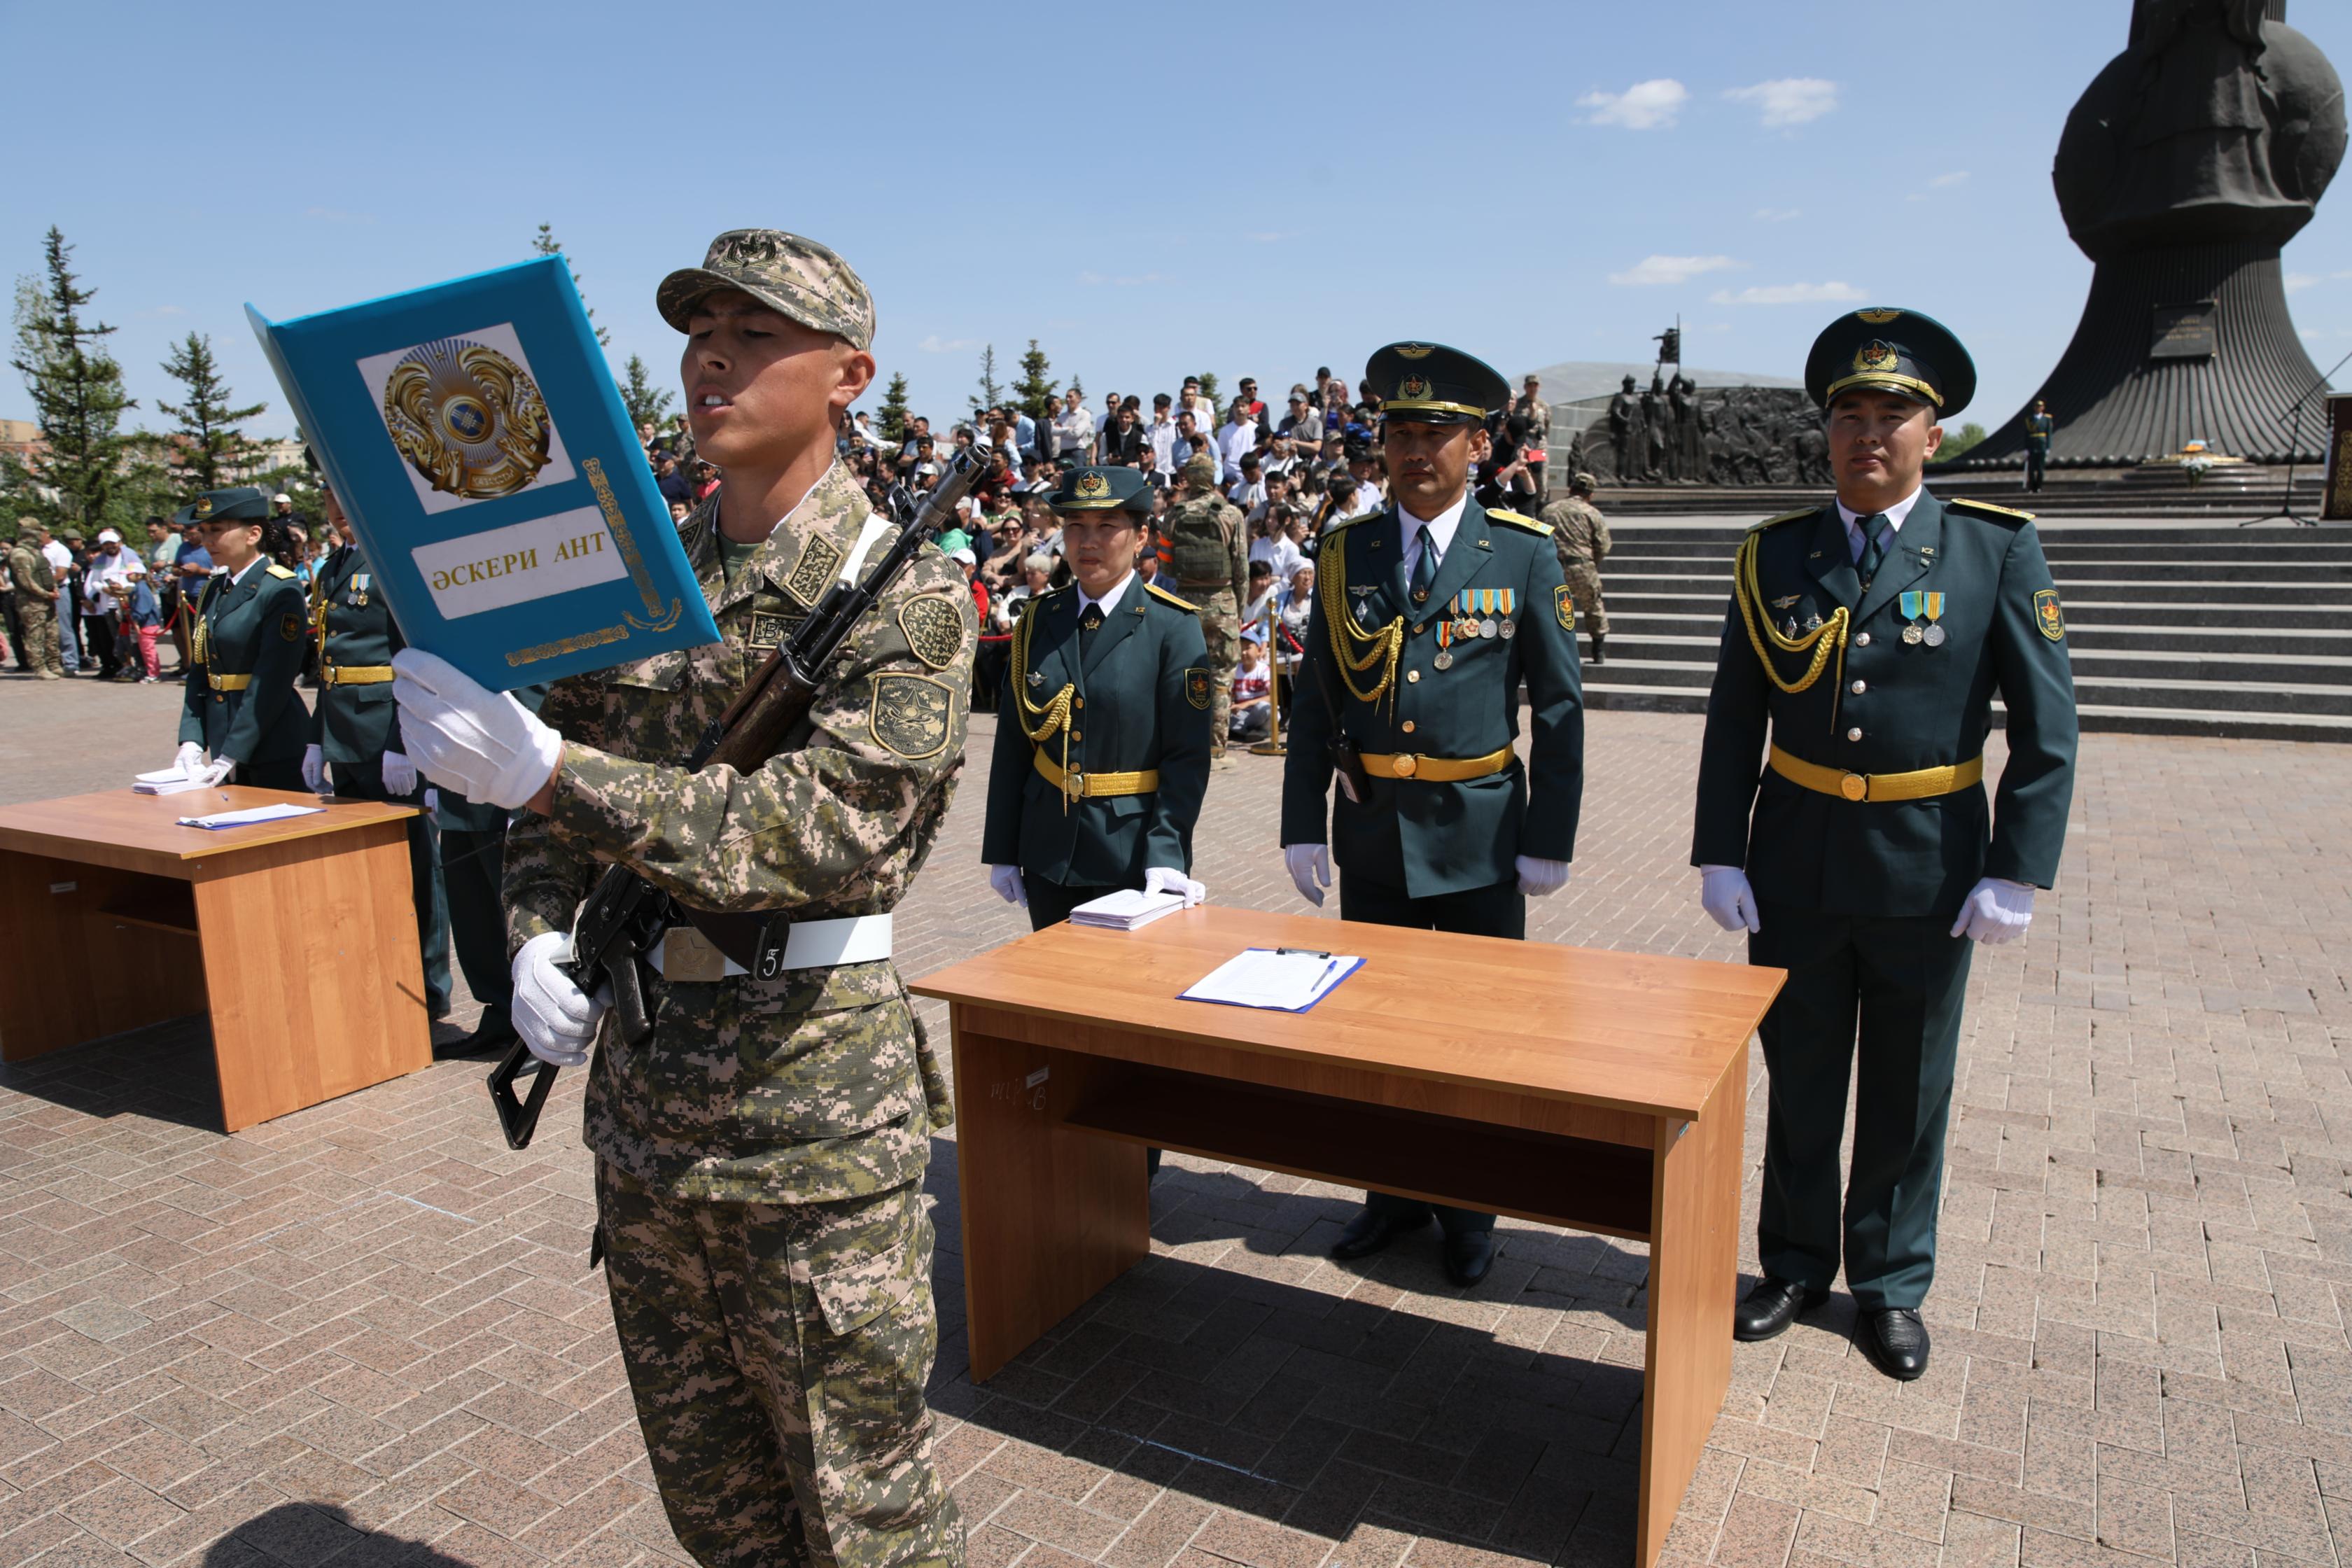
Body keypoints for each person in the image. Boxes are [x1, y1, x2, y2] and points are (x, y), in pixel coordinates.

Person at [391, 230, 969, 1568]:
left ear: (848, 375)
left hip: (810, 1119)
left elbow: (827, 834)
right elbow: (555, 801)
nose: (713, 355)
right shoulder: (639, 584)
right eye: (701, 329)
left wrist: (554, 776)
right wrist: (538, 928)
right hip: (648, 1118)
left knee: (865, 1512)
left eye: (757, 334)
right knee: (718, 1507)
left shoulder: (911, 588)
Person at [1690, 308, 2079, 1383]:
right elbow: (1736, 718)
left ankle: (1893, 1286)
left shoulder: (1993, 548)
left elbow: (2050, 728)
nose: (1871, 434)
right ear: (1827, 432)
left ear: (1934, 431)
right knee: (1801, 1074)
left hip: (1928, 863)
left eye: (1893, 415)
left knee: (1909, 1090)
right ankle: (1798, 1263)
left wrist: (2016, 867)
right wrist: (1721, 849)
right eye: (1850, 415)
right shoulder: (1774, 555)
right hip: (1797, 859)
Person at [1280, 343, 1584, 1287]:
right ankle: (1391, 1197)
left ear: (1479, 445)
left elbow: (1562, 706)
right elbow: (1319, 697)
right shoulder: (1346, 552)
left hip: (1482, 838)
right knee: (1372, 1032)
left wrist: (1549, 838)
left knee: (1475, 1038)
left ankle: (1469, 1211)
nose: (1416, 452)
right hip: (1373, 834)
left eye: (1437, 434)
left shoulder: (1525, 553)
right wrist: (1300, 820)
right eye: (1399, 433)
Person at [983, 461, 1212, 930]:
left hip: (1132, 855)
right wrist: (1003, 848)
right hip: (1048, 850)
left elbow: (1186, 757)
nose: (1088, 542)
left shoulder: (1173, 627)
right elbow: (1013, 744)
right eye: (1075, 527)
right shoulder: (1039, 620)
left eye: (1107, 526)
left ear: (1141, 537)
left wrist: (1167, 850)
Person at [304, 479, 455, 1030]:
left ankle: (430, 991)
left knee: (419, 870)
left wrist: (402, 743)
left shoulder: (393, 557)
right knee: (361, 870)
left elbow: (411, 657)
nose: (340, 512)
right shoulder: (331, 568)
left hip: (387, 737)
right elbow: (330, 661)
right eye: (331, 502)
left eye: (348, 498)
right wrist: (317, 737)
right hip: (346, 735)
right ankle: (377, 979)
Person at [172, 487, 310, 790]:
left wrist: (234, 750)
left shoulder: (279, 588)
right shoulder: (213, 590)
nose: (208, 541)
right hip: (224, 737)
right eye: (204, 531)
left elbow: (272, 678)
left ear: (253, 534)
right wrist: (193, 739)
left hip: (271, 739)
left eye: (217, 530)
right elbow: (201, 670)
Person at [1163, 454, 1252, 768]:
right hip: (1223, 602)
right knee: (1221, 677)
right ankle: (1216, 749)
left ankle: (1186, 747)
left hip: (1186, 604)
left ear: (1189, 477)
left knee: (1185, 677)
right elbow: (1241, 567)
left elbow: (1164, 563)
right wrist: (1238, 609)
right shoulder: (1231, 513)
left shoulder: (1174, 514)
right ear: (1213, 477)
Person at [1540, 472, 1613, 664]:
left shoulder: (1549, 510)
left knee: (1549, 610)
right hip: (1582, 565)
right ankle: (1598, 649)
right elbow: (1604, 545)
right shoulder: (1592, 513)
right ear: (1590, 494)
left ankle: (1549, 653)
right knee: (1594, 606)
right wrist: (1591, 562)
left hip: (1552, 568)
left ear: (1571, 489)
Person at [8, 525, 61, 678]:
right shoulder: (20, 554)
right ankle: (40, 668)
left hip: (47, 599)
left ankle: (54, 664)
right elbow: (26, 581)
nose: (44, 537)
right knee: (35, 635)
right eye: (41, 534)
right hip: (32, 602)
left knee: (52, 634)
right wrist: (46, 594)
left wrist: (53, 589)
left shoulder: (37, 552)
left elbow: (47, 573)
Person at [1229, 631, 1273, 742]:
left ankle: (1253, 731)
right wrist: (1232, 705)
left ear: (1258, 651)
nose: (1244, 653)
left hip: (1259, 713)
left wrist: (1246, 704)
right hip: (1243, 715)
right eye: (1241, 649)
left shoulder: (1264, 670)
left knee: (1263, 708)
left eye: (1248, 648)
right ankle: (1254, 732)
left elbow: (1273, 697)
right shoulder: (1236, 670)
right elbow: (1231, 695)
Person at [1516, 375, 1551, 507]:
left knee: (1541, 477)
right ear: (1525, 387)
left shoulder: (1544, 406)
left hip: (1538, 447)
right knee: (1523, 475)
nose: (1532, 388)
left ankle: (1540, 505)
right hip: (1524, 446)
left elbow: (1547, 427)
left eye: (1535, 386)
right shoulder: (1518, 404)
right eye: (1530, 385)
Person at [2024, 399, 2056, 493]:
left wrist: (2048, 447)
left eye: (2040, 406)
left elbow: (2049, 434)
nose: (2038, 408)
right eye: (2037, 406)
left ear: (2043, 408)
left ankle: (2039, 487)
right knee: (2031, 469)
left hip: (2042, 446)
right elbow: (2026, 435)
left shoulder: (2047, 419)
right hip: (2032, 447)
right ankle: (2031, 487)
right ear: (2034, 408)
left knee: (2040, 469)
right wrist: (2026, 448)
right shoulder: (2029, 419)